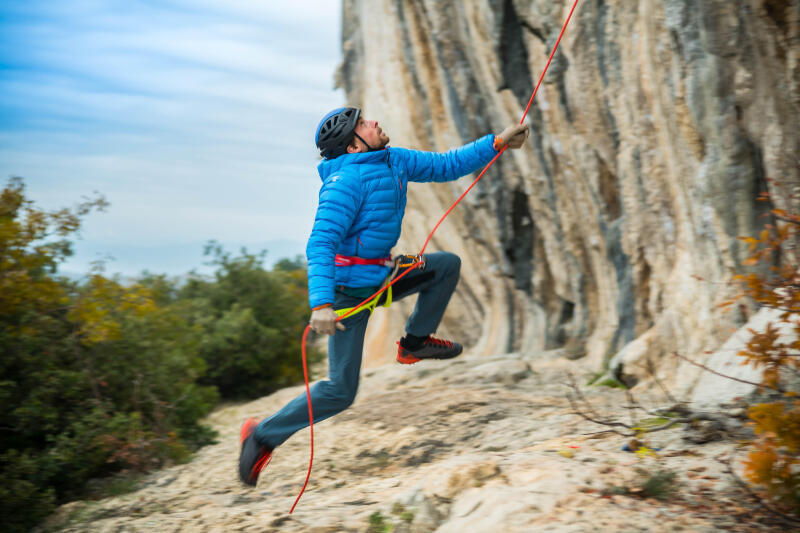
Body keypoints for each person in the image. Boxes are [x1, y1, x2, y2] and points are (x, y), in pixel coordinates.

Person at [238, 107, 529, 486]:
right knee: (340, 392)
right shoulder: (344, 183)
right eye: (361, 124)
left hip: (381, 275)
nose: (372, 122)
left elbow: (447, 165)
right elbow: (321, 243)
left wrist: (497, 143)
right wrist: (322, 305)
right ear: (354, 147)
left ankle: (414, 343)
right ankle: (260, 436)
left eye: (365, 119)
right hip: (347, 296)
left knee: (444, 266)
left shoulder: (394, 160)